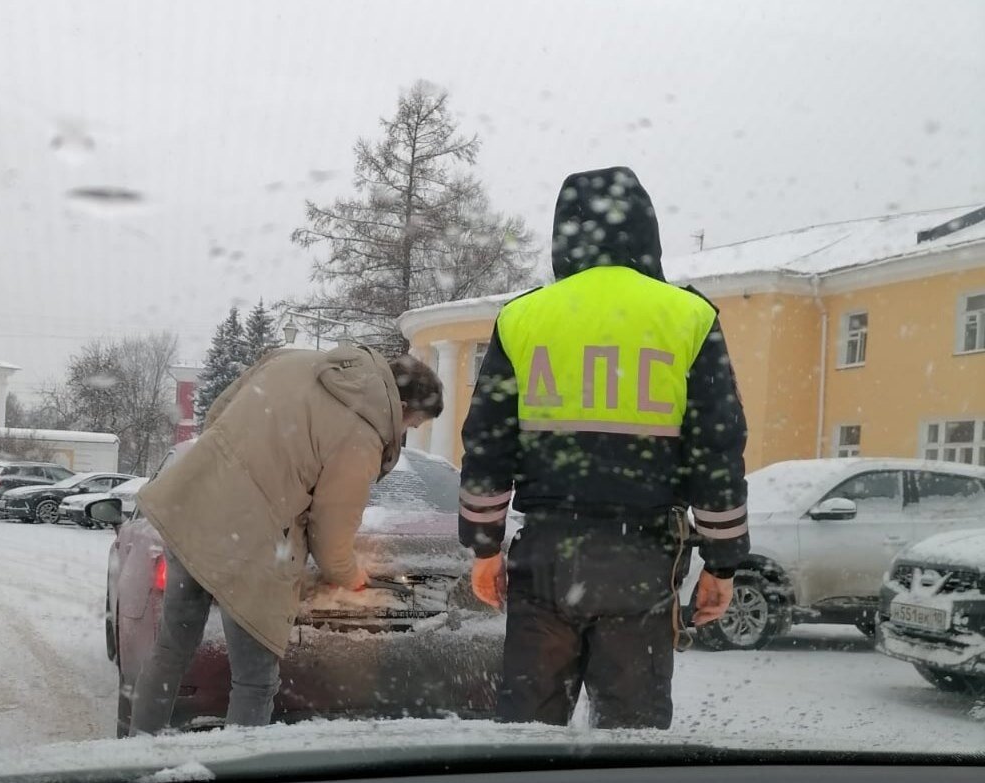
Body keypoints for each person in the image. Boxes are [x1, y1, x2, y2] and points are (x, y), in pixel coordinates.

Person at [458, 166, 749, 729]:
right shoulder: (689, 316)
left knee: (527, 731)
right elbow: (716, 450)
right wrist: (723, 562)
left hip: (545, 555)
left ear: (563, 233)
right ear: (648, 231)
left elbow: (487, 441)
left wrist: (484, 547)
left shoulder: (523, 317)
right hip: (641, 557)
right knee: (632, 735)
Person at [129, 346, 442, 733]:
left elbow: (216, 415)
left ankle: (138, 751)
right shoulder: (362, 433)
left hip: (194, 505)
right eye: (412, 424)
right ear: (405, 405)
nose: (405, 431)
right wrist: (350, 576)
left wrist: (237, 474)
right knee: (255, 679)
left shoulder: (292, 361)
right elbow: (331, 535)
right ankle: (238, 775)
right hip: (253, 541)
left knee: (171, 652)